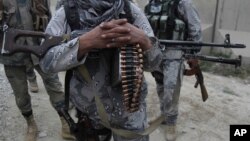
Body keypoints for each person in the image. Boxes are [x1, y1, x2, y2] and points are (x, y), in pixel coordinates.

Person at [39, 0, 163, 140]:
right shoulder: (68, 13)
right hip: (90, 113)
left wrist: (144, 41)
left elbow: (154, 64)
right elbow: (45, 62)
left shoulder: (130, 10)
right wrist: (84, 43)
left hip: (130, 112)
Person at [0, 0, 75, 140]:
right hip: (12, 56)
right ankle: (30, 124)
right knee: (21, 94)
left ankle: (65, 123)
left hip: (41, 50)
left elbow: (51, 20)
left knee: (55, 87)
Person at [145, 0, 202, 140]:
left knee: (172, 89)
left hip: (174, 54)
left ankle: (171, 123)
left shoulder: (182, 3)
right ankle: (164, 116)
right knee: (160, 86)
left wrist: (193, 54)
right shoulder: (151, 4)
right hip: (155, 53)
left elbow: (195, 28)